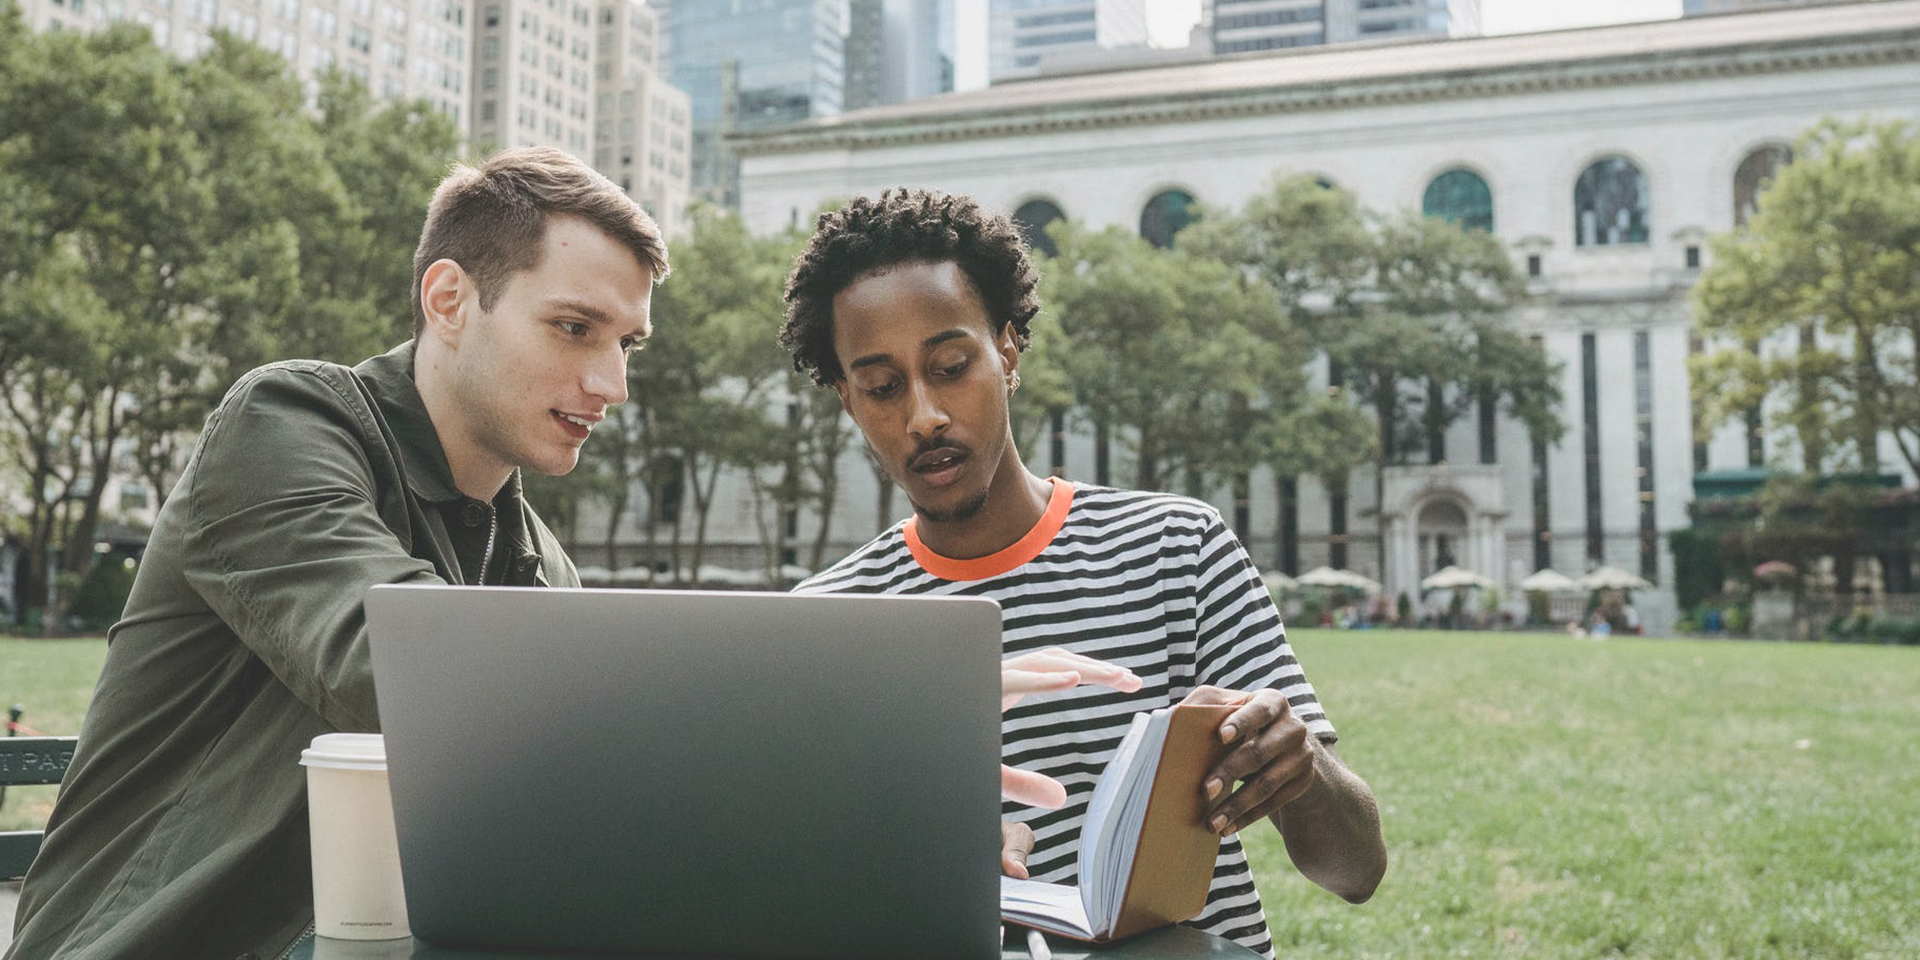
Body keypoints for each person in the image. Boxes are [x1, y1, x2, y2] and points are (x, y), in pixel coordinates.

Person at [7, 147, 668, 960]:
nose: (611, 385)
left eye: (627, 346)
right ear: (450, 300)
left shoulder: (536, 559)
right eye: (575, 329)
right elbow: (399, 669)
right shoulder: (284, 422)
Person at [781, 189, 1387, 957]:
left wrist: (1302, 775)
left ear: (1006, 352)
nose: (924, 414)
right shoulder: (828, 621)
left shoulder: (1178, 547)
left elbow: (1356, 871)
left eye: (951, 365)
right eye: (881, 386)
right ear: (847, 399)